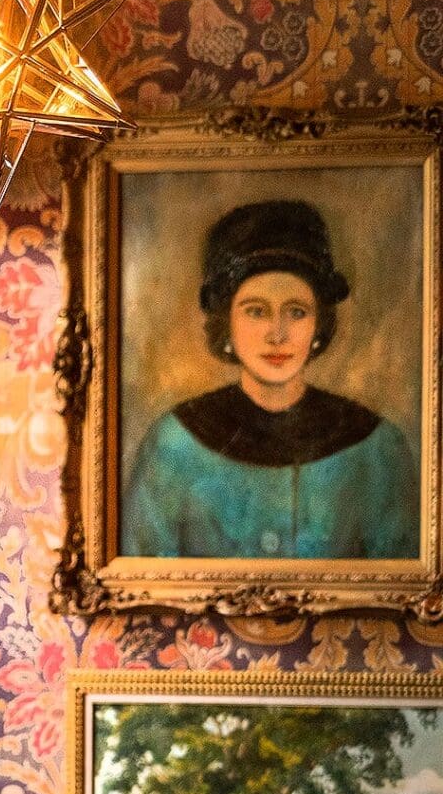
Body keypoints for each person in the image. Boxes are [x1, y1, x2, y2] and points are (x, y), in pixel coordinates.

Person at [120, 198, 416, 561]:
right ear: (226, 322)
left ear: (318, 325)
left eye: (296, 311)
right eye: (256, 311)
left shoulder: (376, 450)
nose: (277, 334)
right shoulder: (173, 445)